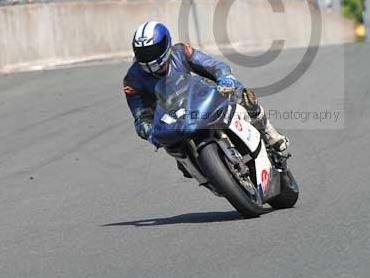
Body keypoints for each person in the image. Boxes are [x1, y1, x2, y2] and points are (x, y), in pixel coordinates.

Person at [123, 21, 289, 172]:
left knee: (242, 95)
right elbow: (140, 116)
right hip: (175, 119)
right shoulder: (132, 79)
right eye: (143, 52)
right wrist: (150, 131)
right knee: (182, 164)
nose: (149, 56)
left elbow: (212, 65)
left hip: (203, 98)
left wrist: (224, 77)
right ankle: (209, 173)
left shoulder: (181, 52)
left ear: (166, 43)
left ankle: (271, 135)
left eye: (153, 50)